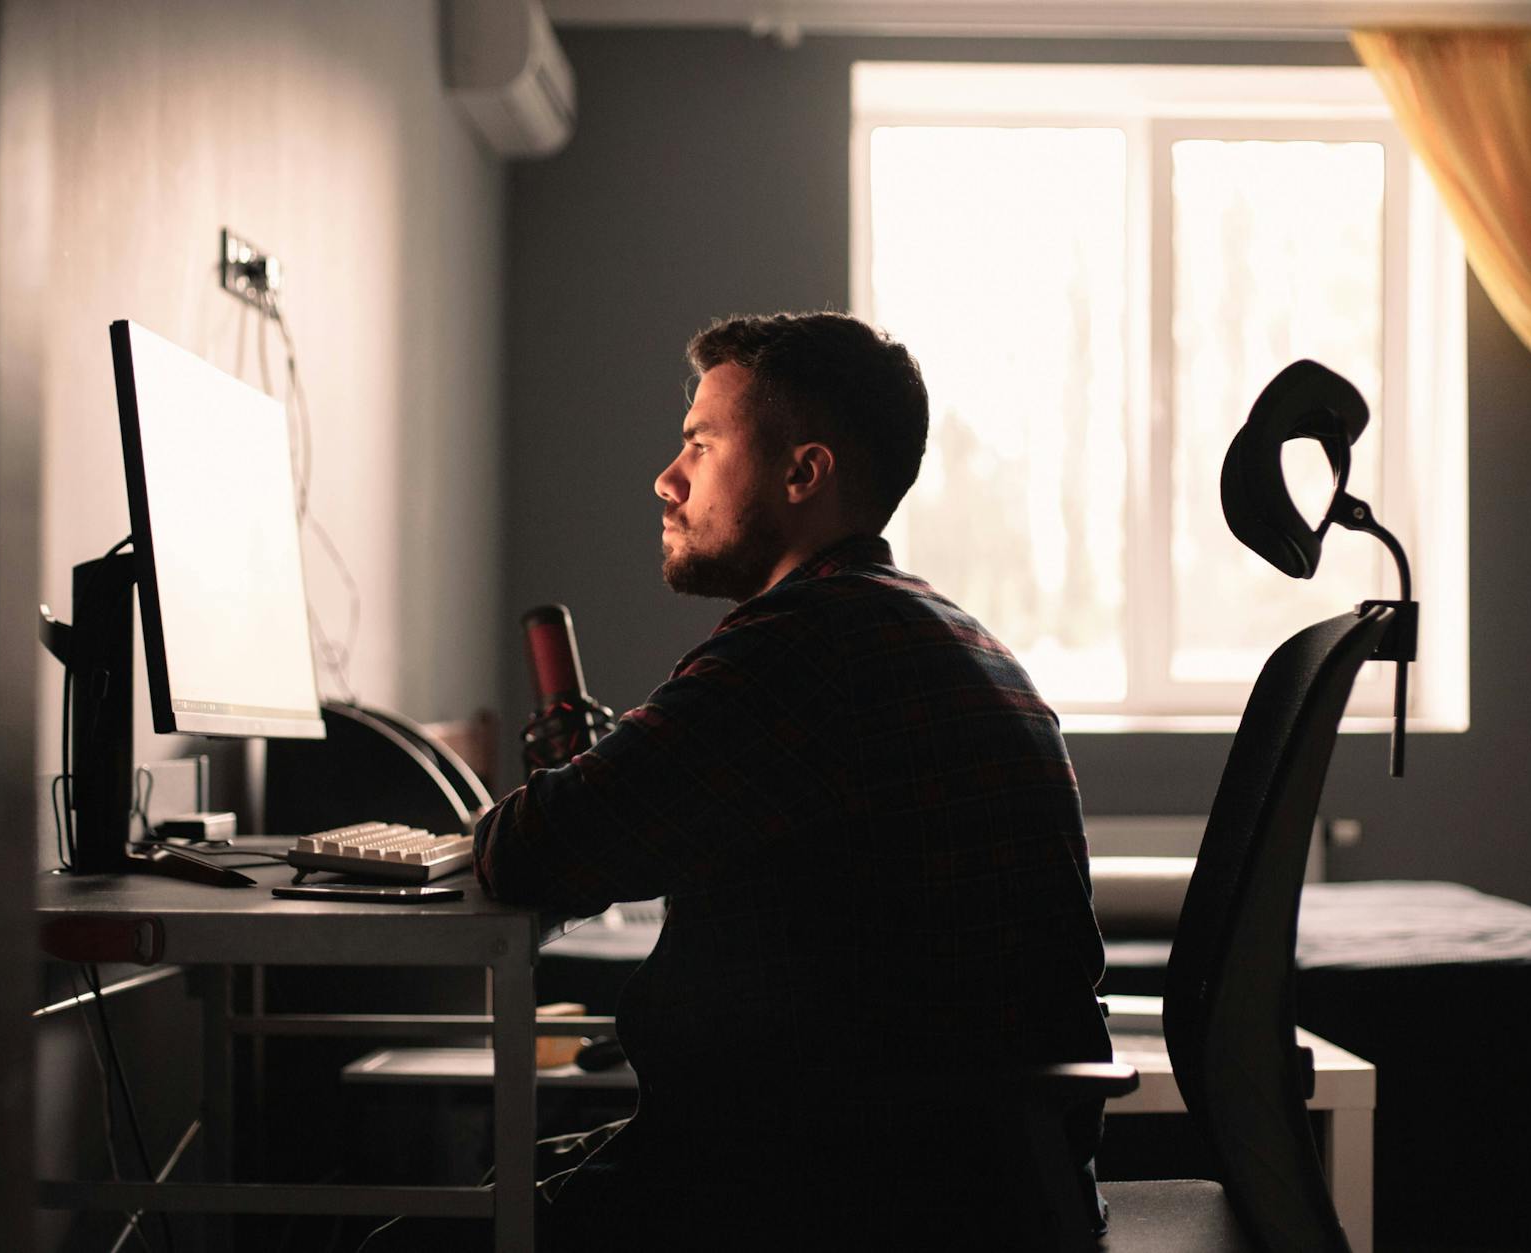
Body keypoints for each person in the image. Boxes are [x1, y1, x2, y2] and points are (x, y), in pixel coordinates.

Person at [475, 311, 1111, 1250]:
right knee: (505, 1187)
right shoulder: (951, 632)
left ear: (802, 472)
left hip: (843, 1191)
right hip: (991, 1177)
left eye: (700, 443)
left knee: (414, 1231)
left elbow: (530, 850)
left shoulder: (798, 647)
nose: (667, 476)